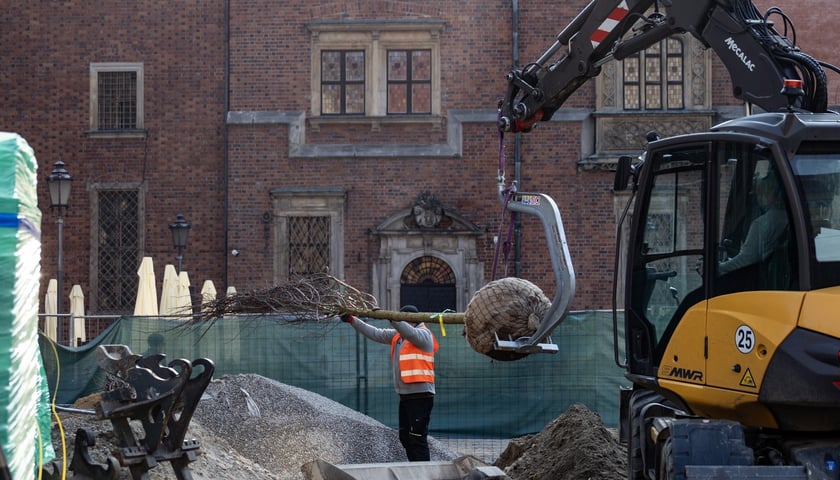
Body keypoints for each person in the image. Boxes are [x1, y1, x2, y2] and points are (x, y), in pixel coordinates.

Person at [341, 305, 439, 461]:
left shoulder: (424, 335)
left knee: (417, 438)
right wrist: (353, 320)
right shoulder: (399, 335)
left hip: (421, 396)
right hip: (405, 396)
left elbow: (410, 333)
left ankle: (423, 472)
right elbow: (376, 333)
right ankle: (415, 469)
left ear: (411, 320)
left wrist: (391, 317)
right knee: (405, 437)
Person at [719, 172, 789, 274]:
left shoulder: (761, 223)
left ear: (771, 194)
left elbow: (746, 260)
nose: (758, 198)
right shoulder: (786, 217)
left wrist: (720, 267)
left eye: (761, 193)